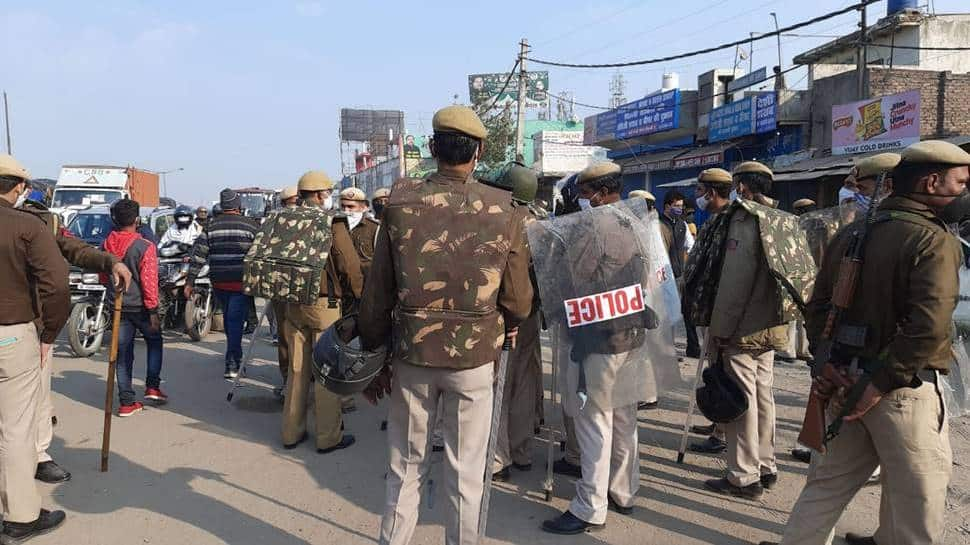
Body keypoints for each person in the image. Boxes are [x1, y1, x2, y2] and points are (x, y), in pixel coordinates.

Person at [763, 141, 970, 545]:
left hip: (843, 379)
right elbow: (927, 328)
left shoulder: (852, 233)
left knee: (824, 491)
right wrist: (875, 386)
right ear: (932, 182)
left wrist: (826, 364)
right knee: (916, 509)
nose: (964, 193)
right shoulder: (933, 241)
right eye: (961, 183)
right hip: (901, 390)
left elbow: (817, 306)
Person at [359, 105, 533, 545]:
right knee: (466, 472)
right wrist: (509, 321)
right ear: (477, 151)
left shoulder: (398, 203)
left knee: (405, 467)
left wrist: (374, 353)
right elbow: (517, 298)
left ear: (434, 148)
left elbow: (377, 291)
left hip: (413, 357)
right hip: (474, 361)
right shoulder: (503, 208)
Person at [540, 160, 657, 534]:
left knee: (594, 421)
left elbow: (574, 278)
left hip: (599, 337)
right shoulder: (636, 220)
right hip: (632, 332)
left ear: (602, 192)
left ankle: (590, 505)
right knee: (624, 418)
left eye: (587, 193)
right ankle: (624, 491)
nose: (584, 200)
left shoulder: (594, 226)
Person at [20, 188, 132, 485]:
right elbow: (59, 284)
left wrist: (111, 262)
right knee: (31, 397)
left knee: (36, 395)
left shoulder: (41, 222)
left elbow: (76, 250)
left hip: (27, 325)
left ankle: (38, 455)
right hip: (27, 328)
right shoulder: (38, 221)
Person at [702, 162, 791, 500]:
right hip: (771, 327)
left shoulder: (745, 220)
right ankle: (767, 465)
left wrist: (720, 330)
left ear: (741, 187)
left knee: (741, 401)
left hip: (742, 329)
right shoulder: (782, 219)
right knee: (763, 396)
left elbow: (735, 283)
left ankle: (743, 475)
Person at [0, 155, 70, 544]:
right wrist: (48, 335)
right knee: (15, 430)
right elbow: (57, 286)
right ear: (18, 187)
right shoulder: (27, 226)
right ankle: (21, 518)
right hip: (12, 337)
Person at [280, 171, 361, 452]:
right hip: (323, 305)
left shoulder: (285, 219)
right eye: (327, 192)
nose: (329, 197)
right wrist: (360, 296)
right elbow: (348, 264)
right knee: (326, 371)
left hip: (292, 304)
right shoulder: (331, 221)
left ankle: (291, 432)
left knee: (297, 369)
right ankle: (328, 437)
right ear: (318, 195)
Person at [492, 163, 545, 482]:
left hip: (503, 314)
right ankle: (522, 450)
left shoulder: (502, 220)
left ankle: (499, 458)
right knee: (525, 383)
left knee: (499, 384)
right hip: (532, 315)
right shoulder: (539, 222)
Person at [686, 169, 735, 455]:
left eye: (699, 190)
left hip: (721, 311)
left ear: (712, 193)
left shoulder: (731, 223)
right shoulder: (716, 220)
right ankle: (717, 424)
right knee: (714, 369)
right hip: (709, 309)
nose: (697, 196)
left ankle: (722, 432)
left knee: (722, 372)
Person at [102, 199, 166, 415]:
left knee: (123, 354)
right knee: (155, 341)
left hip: (118, 306)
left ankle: (127, 401)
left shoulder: (106, 245)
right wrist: (154, 310)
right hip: (141, 307)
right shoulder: (145, 246)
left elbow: (103, 277)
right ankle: (152, 386)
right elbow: (149, 282)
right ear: (137, 220)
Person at [185, 189, 259, 378]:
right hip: (240, 283)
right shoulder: (251, 226)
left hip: (219, 283)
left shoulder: (210, 226)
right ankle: (233, 363)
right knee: (234, 321)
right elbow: (260, 256)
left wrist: (190, 281)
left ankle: (235, 356)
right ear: (238, 206)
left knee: (229, 319)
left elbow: (198, 256)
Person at [659, 190, 700, 359]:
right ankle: (666, 350)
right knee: (666, 315)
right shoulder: (658, 224)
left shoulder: (682, 225)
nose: (679, 209)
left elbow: (690, 247)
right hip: (662, 276)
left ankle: (688, 347)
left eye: (681, 206)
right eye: (676, 206)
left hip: (679, 275)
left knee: (682, 312)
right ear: (667, 206)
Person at [271, 185, 300, 391]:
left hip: (307, 288)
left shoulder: (315, 221)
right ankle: (287, 378)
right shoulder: (273, 224)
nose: (297, 206)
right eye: (293, 202)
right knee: (284, 334)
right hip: (280, 286)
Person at [339, 187, 379, 292]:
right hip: (341, 289)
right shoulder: (335, 227)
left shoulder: (374, 229)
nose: (346, 211)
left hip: (365, 288)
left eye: (351, 207)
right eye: (343, 206)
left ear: (363, 207)